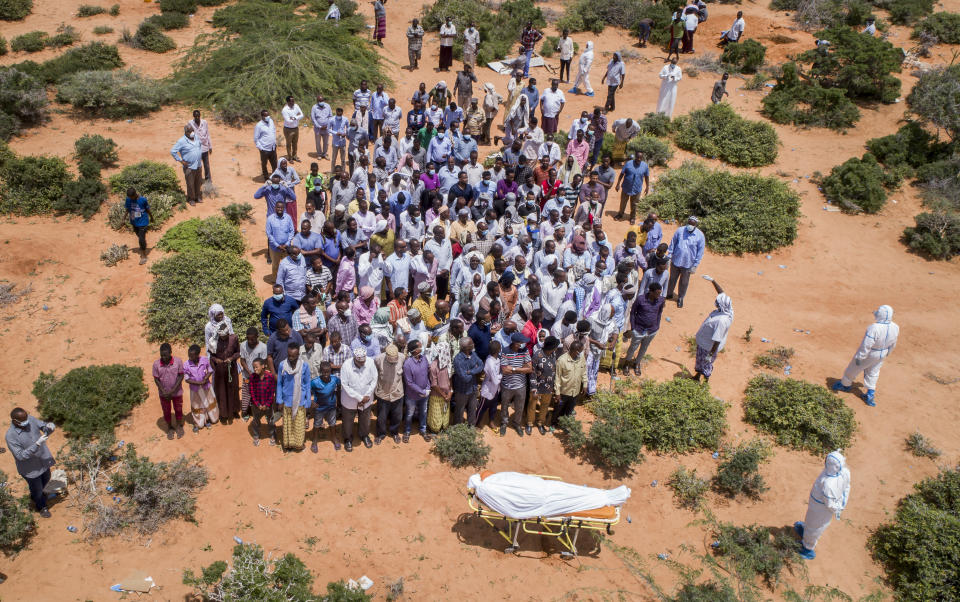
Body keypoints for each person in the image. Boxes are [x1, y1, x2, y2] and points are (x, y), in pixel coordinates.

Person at [832, 305, 898, 406]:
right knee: (873, 372)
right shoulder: (895, 327)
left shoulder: (874, 328)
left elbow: (866, 345)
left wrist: (860, 357)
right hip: (882, 353)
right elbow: (894, 343)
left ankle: (845, 385)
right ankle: (870, 394)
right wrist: (888, 353)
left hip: (870, 353)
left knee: (853, 369)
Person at [794, 451, 851, 560]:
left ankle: (807, 548)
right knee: (810, 522)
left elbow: (830, 504)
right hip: (817, 506)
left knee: (815, 527)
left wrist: (837, 508)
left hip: (821, 510)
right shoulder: (843, 472)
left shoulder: (829, 484)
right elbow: (847, 487)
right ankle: (806, 531)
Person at [5, 408, 56, 517]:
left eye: (26, 418)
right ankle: (41, 506)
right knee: (37, 490)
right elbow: (20, 456)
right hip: (30, 469)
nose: (26, 421)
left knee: (46, 480)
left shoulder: (30, 419)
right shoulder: (10, 436)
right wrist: (37, 444)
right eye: (23, 420)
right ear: (15, 421)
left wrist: (49, 427)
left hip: (43, 461)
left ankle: (38, 496)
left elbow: (43, 426)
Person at [692, 279, 733, 382]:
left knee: (706, 363)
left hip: (707, 347)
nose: (715, 302)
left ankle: (705, 380)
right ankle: (697, 375)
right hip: (704, 343)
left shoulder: (721, 321)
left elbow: (717, 340)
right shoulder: (728, 309)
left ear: (721, 305)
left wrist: (710, 355)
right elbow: (721, 293)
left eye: (717, 302)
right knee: (700, 361)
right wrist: (713, 281)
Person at [623, 282, 665, 376]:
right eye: (657, 293)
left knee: (644, 348)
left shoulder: (661, 300)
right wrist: (633, 328)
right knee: (633, 347)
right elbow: (633, 313)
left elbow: (659, 313)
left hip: (652, 330)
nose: (659, 295)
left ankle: (637, 363)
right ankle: (627, 363)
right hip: (638, 329)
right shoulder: (640, 299)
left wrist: (657, 326)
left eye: (660, 293)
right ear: (651, 292)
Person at [340, 347, 378, 450]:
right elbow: (345, 385)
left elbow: (374, 379)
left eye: (363, 361)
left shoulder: (370, 363)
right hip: (350, 400)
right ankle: (348, 438)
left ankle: (364, 435)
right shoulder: (346, 366)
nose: (362, 364)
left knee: (365, 419)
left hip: (367, 398)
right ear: (354, 359)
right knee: (348, 421)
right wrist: (359, 397)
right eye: (359, 362)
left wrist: (367, 395)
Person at [276, 343, 311, 451]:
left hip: (300, 400)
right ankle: (288, 445)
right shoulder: (282, 365)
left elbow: (307, 384)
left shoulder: (304, 366)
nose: (291, 358)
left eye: (293, 356)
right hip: (287, 401)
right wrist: (279, 400)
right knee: (288, 425)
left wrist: (308, 401)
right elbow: (279, 383)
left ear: (298, 355)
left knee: (299, 425)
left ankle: (298, 444)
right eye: (289, 355)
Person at [666, 216, 705, 308]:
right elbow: (673, 243)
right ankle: (669, 293)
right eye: (689, 223)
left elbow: (700, 252)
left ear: (695, 225)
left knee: (684, 282)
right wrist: (669, 256)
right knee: (672, 278)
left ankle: (680, 298)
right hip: (676, 260)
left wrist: (695, 265)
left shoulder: (700, 235)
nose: (690, 225)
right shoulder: (680, 231)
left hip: (688, 263)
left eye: (692, 224)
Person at [499, 332, 532, 436]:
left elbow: (529, 369)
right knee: (504, 406)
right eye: (521, 342)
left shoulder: (525, 350)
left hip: (521, 386)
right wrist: (522, 369)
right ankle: (504, 423)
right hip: (506, 385)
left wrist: (513, 368)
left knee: (519, 407)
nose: (523, 344)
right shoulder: (505, 351)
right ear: (515, 343)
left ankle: (517, 423)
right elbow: (504, 370)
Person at [527, 335, 559, 434]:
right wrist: (534, 389)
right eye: (556, 346)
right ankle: (529, 423)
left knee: (545, 405)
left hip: (548, 387)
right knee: (532, 405)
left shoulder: (553, 355)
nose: (556, 348)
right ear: (552, 347)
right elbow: (532, 374)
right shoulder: (537, 355)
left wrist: (554, 387)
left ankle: (540, 423)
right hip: (537, 387)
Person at [210, 320, 241, 423]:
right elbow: (211, 356)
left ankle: (234, 411)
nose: (224, 337)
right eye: (222, 336)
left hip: (231, 369)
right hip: (220, 370)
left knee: (233, 390)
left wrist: (231, 358)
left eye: (226, 335)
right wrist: (216, 360)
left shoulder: (234, 338)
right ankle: (223, 414)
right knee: (221, 391)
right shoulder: (213, 341)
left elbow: (238, 352)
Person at [374, 344, 405, 444]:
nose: (393, 360)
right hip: (383, 394)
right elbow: (375, 374)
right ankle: (380, 434)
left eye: (395, 358)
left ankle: (394, 432)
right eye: (391, 359)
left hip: (397, 393)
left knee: (397, 416)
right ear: (386, 355)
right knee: (381, 418)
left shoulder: (402, 357)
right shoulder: (378, 359)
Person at [402, 339, 432, 442]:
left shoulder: (424, 359)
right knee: (410, 413)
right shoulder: (407, 364)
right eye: (420, 346)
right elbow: (409, 383)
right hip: (412, 396)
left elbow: (428, 374)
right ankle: (407, 431)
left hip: (425, 394)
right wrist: (422, 391)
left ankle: (423, 430)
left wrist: (428, 388)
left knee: (423, 412)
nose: (422, 348)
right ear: (415, 351)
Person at [153, 343, 185, 439]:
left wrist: (173, 390)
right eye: (161, 355)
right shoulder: (156, 364)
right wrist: (163, 391)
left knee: (178, 409)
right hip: (164, 394)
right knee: (166, 411)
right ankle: (170, 427)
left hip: (177, 392)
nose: (164, 357)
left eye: (165, 355)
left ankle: (179, 426)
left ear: (170, 353)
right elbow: (156, 379)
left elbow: (181, 376)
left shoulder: (178, 361)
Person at [184, 344, 219, 431]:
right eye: (189, 355)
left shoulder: (204, 360)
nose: (190, 357)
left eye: (192, 355)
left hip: (206, 387)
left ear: (197, 354)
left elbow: (210, 370)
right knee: (198, 405)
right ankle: (199, 422)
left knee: (208, 402)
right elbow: (187, 379)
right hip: (195, 390)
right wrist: (198, 383)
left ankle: (209, 419)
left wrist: (205, 379)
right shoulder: (186, 365)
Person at [552, 339, 586, 424]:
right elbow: (557, 377)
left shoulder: (581, 358)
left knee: (569, 410)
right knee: (558, 410)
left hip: (575, 391)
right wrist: (557, 393)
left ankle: (565, 425)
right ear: (576, 351)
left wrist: (585, 384)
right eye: (580, 351)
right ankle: (553, 424)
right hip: (564, 392)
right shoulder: (562, 360)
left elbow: (584, 371)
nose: (581, 353)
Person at [170, 124, 204, 205]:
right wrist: (181, 161)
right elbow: (173, 151)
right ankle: (191, 199)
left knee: (198, 182)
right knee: (190, 184)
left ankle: (197, 197)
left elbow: (199, 146)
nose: (192, 132)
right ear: (186, 132)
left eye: (193, 130)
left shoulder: (196, 137)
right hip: (189, 166)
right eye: (190, 131)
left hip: (198, 165)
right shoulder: (182, 141)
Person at [248, 358, 277, 446]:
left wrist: (267, 404)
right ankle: (256, 435)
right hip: (256, 405)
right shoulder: (252, 377)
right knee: (256, 420)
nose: (255, 369)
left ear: (263, 366)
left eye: (256, 367)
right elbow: (252, 392)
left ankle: (272, 434)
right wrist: (257, 404)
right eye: (253, 367)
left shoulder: (270, 377)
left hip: (268, 405)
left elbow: (272, 391)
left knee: (271, 420)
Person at [615, 153, 650, 225]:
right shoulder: (628, 164)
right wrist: (618, 183)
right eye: (637, 157)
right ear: (635, 157)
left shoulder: (645, 166)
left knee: (635, 204)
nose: (639, 159)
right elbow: (622, 174)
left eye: (640, 158)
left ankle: (632, 218)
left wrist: (647, 187)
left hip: (637, 189)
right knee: (623, 202)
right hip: (626, 187)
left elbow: (646, 177)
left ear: (642, 158)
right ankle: (620, 214)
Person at [123, 187, 154, 265]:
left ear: (135, 194)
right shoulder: (128, 199)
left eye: (131, 197)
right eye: (129, 197)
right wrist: (123, 219)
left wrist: (152, 217)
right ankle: (143, 244)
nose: (130, 198)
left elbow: (147, 209)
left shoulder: (143, 200)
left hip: (143, 222)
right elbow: (127, 209)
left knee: (141, 239)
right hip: (134, 221)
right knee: (139, 235)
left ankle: (144, 256)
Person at [187, 109, 213, 181]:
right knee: (197, 165)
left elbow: (208, 134)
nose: (197, 118)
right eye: (196, 116)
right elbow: (188, 135)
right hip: (196, 149)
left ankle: (208, 180)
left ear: (200, 116)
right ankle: (197, 180)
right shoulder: (190, 123)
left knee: (206, 165)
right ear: (193, 116)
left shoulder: (204, 122)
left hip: (205, 147)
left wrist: (210, 146)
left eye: (198, 116)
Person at [254, 110, 279, 180]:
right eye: (266, 116)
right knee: (264, 164)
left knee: (274, 164)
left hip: (273, 148)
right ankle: (266, 177)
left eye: (268, 115)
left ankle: (274, 177)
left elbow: (273, 131)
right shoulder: (259, 125)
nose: (268, 117)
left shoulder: (271, 121)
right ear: (262, 117)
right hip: (264, 149)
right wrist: (261, 148)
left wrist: (275, 142)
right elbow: (256, 139)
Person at [281, 96, 304, 163]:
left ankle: (294, 156)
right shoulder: (285, 110)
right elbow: (288, 121)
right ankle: (289, 157)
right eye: (291, 101)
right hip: (288, 129)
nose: (293, 102)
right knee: (289, 144)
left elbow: (302, 115)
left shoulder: (296, 106)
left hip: (296, 128)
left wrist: (294, 118)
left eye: (293, 101)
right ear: (288, 102)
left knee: (295, 143)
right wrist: (297, 117)